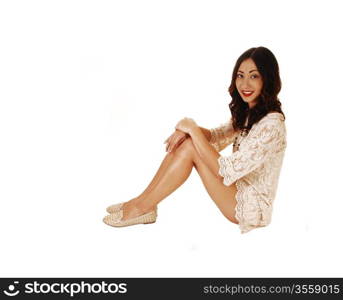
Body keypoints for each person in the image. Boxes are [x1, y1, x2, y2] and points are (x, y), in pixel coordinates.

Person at [103, 46, 287, 234]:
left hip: (251, 206)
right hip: (237, 188)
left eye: (254, 76)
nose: (245, 83)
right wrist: (187, 130)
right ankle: (143, 202)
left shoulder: (272, 125)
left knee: (192, 145)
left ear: (268, 78)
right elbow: (216, 136)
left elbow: (225, 171)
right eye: (240, 75)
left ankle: (142, 207)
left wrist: (190, 126)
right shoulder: (251, 113)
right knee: (189, 140)